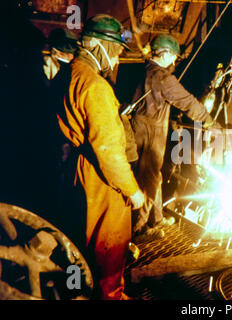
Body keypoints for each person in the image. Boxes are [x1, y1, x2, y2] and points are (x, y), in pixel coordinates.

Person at [56, 14, 145, 300]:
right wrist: (133, 191)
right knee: (109, 245)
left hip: (75, 169)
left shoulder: (69, 74)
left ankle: (79, 291)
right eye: (116, 49)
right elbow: (108, 152)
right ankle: (112, 296)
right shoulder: (95, 86)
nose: (117, 57)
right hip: (100, 178)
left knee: (79, 240)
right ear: (96, 45)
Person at [129, 34, 214, 237]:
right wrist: (208, 120)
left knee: (153, 176)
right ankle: (138, 229)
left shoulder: (143, 70)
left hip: (139, 128)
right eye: (174, 57)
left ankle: (156, 219)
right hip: (151, 132)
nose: (174, 62)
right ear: (165, 53)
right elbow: (187, 101)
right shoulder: (162, 77)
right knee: (148, 179)